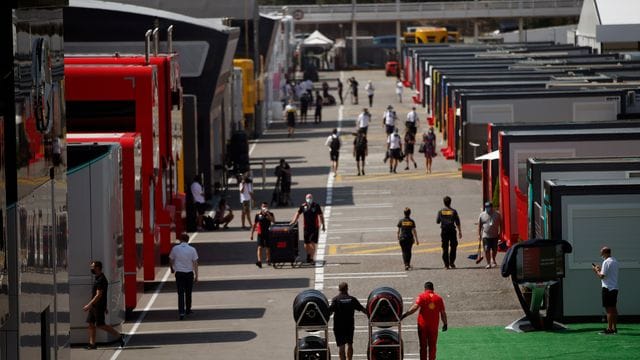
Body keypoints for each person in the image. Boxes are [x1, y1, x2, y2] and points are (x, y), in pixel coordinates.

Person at [83, 261, 125, 349]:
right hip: (95, 305)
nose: (91, 269)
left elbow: (99, 295)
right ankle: (92, 344)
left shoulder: (101, 279)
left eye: (93, 267)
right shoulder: (98, 277)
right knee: (91, 323)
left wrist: (89, 305)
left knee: (100, 324)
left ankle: (119, 336)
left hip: (97, 306)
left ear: (98, 268)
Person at [401, 282, 448, 360]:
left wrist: (405, 315)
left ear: (425, 289)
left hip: (422, 326)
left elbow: (415, 308)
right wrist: (445, 324)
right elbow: (442, 313)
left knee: (423, 346)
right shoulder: (439, 299)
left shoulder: (422, 296)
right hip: (433, 327)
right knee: (432, 346)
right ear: (433, 289)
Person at [329, 282, 367, 360]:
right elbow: (363, 309)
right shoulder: (352, 299)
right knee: (350, 345)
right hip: (349, 326)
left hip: (339, 327)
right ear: (347, 289)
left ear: (339, 289)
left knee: (341, 347)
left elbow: (329, 312)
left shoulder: (336, 300)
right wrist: (371, 315)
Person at [169, 233, 199, 320]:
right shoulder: (192, 249)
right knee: (188, 292)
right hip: (189, 273)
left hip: (179, 274)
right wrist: (197, 275)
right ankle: (188, 309)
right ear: (188, 240)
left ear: (180, 240)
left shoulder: (175, 249)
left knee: (180, 293)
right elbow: (195, 263)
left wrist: (172, 268)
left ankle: (181, 312)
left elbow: (171, 259)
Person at [290, 193, 325, 264]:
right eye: (308, 198)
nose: (309, 199)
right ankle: (308, 254)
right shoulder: (303, 206)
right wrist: (293, 221)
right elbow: (298, 213)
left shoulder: (316, 206)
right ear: (305, 199)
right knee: (306, 244)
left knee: (312, 242)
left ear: (312, 198)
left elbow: (321, 216)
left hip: (314, 227)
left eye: (310, 198)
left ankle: (311, 258)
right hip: (306, 227)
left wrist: (323, 225)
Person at [592, 246, 619, 335]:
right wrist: (600, 270)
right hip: (614, 287)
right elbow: (607, 274)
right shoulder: (614, 261)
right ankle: (614, 328)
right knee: (613, 308)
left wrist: (596, 271)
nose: (601, 255)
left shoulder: (606, 262)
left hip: (607, 288)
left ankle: (609, 329)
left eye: (602, 253)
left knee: (609, 309)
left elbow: (601, 276)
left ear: (605, 253)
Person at [436, 196, 462, 269]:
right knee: (453, 247)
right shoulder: (454, 211)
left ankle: (446, 265)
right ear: (450, 202)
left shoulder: (440, 211)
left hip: (444, 231)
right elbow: (457, 222)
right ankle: (452, 262)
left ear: (444, 203)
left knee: (445, 248)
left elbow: (437, 221)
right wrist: (460, 232)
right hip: (452, 231)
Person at [477, 201, 502, 269]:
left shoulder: (497, 214)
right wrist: (479, 234)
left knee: (495, 249)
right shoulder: (482, 215)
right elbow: (479, 225)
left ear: (492, 207)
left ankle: (493, 259)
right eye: (487, 207)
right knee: (486, 249)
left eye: (489, 207)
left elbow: (501, 224)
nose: (488, 209)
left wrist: (500, 232)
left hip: (495, 235)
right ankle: (488, 263)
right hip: (486, 235)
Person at [251, 202, 275, 268]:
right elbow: (254, 224)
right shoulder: (258, 215)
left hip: (268, 232)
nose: (264, 207)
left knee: (268, 247)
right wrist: (252, 234)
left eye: (266, 206)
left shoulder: (270, 214)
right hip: (260, 233)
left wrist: (268, 214)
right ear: (261, 207)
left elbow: (273, 221)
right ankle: (259, 261)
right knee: (260, 247)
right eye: (263, 206)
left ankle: (268, 259)